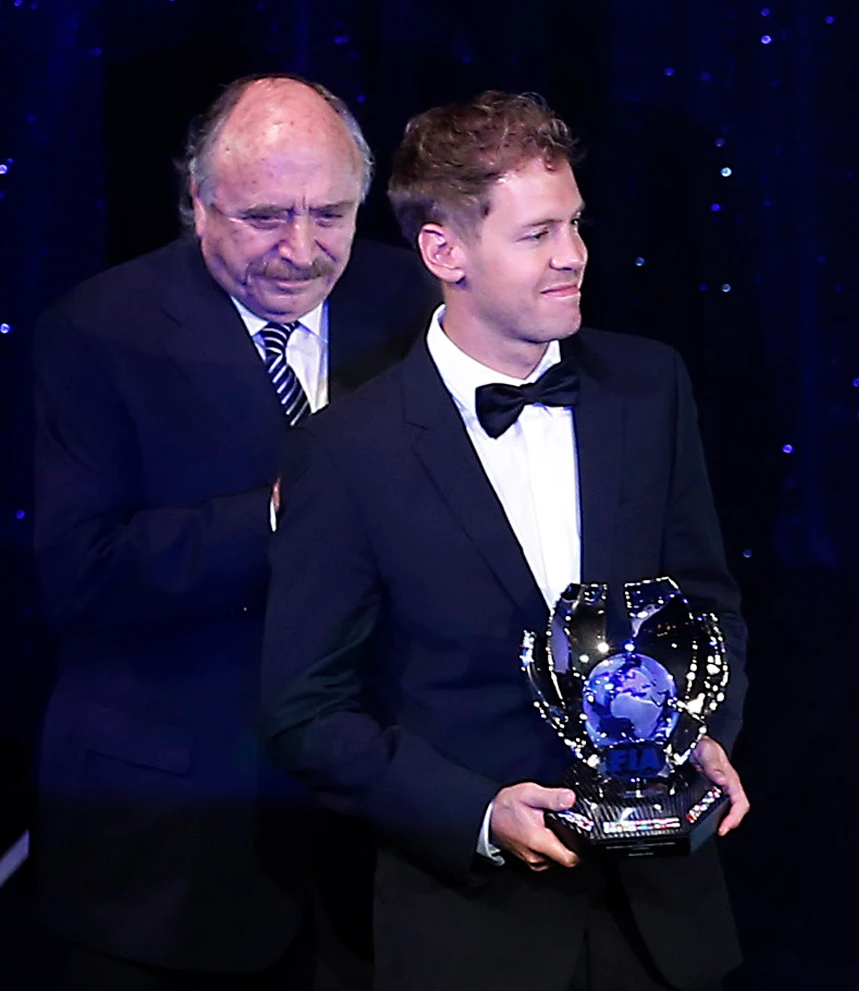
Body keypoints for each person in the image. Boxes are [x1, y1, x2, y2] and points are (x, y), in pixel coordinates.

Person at [258, 91, 751, 991]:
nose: (574, 258)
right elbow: (306, 714)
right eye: (536, 236)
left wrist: (707, 733)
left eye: (574, 225)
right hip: (472, 936)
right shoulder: (346, 452)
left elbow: (705, 601)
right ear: (444, 252)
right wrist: (477, 814)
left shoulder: (648, 386)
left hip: (668, 930)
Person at [33, 74, 432, 989]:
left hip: (376, 849)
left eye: (330, 213)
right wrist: (283, 514)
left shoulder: (418, 308)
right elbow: (75, 575)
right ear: (197, 202)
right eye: (264, 217)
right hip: (168, 854)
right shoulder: (95, 332)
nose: (301, 250)